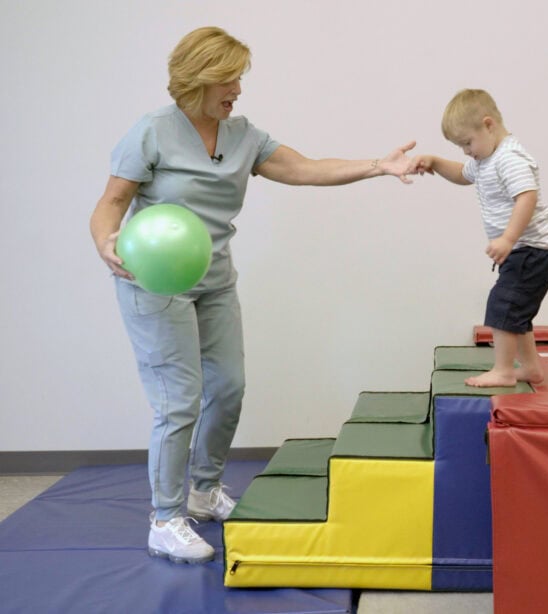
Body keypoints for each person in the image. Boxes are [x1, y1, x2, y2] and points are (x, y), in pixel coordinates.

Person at [89, 26, 415, 565]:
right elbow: (111, 202)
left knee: (231, 387)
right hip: (153, 281)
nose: (238, 88)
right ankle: (166, 518)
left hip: (214, 277)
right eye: (230, 78)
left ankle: (203, 488)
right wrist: (105, 242)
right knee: (179, 400)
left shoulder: (243, 136)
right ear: (200, 79)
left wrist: (378, 166)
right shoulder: (150, 132)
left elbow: (305, 168)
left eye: (239, 77)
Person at [407, 89, 548, 388]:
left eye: (467, 143)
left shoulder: (509, 157)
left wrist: (507, 238)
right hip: (524, 251)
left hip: (530, 249)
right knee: (517, 311)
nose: (466, 151)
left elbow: (527, 196)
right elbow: (463, 174)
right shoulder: (486, 158)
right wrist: (435, 162)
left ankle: (503, 370)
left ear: (488, 125)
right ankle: (530, 368)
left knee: (502, 305)